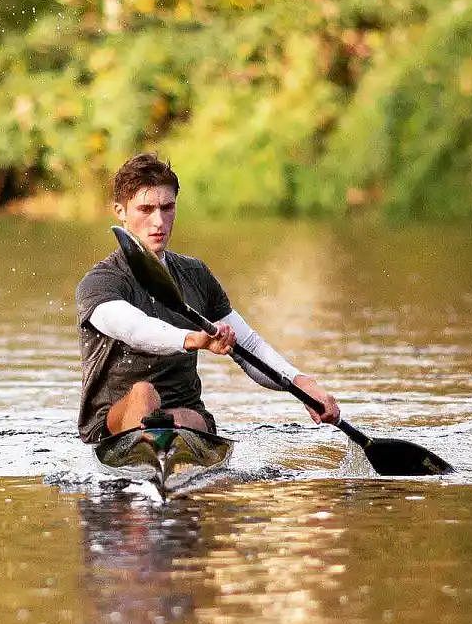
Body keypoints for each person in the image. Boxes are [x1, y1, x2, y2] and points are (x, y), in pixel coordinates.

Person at [75, 153, 340, 443]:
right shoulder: (100, 282)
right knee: (144, 393)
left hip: (185, 416)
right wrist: (194, 340)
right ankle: (155, 439)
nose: (158, 221)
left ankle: (162, 436)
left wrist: (302, 384)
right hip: (113, 425)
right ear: (120, 211)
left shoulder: (195, 274)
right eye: (145, 209)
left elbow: (248, 345)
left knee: (184, 419)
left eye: (167, 207)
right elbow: (134, 329)